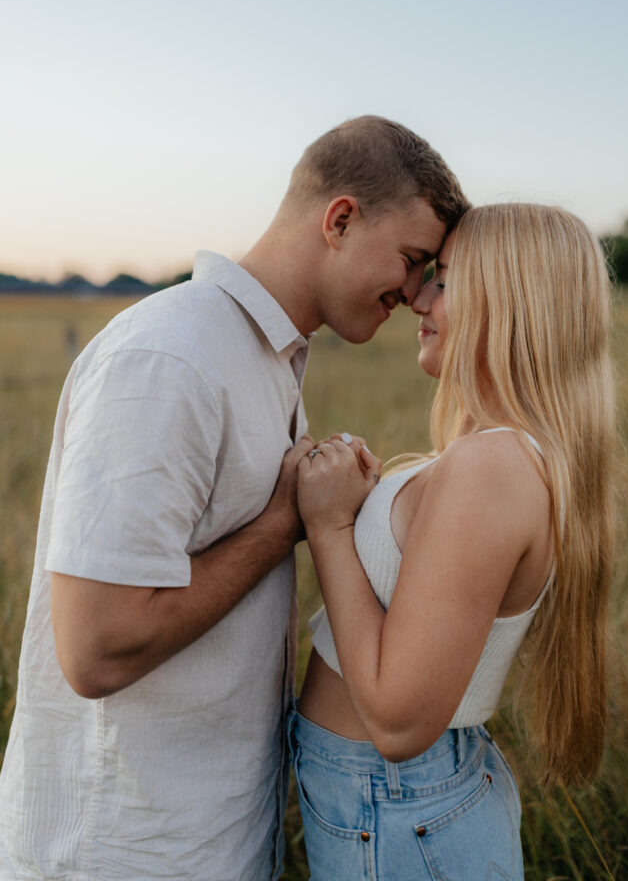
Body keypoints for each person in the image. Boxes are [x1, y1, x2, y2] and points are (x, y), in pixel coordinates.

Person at [0, 116, 469, 881]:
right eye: (413, 259)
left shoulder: (266, 356)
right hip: (118, 854)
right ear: (340, 220)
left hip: (208, 841)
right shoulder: (171, 356)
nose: (414, 292)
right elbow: (95, 648)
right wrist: (286, 521)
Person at [292, 203, 617, 881]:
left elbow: (399, 724)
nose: (417, 296)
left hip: (394, 802)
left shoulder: (492, 467)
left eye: (445, 279)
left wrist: (329, 529)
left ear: (510, 300)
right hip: (390, 804)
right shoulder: (491, 455)